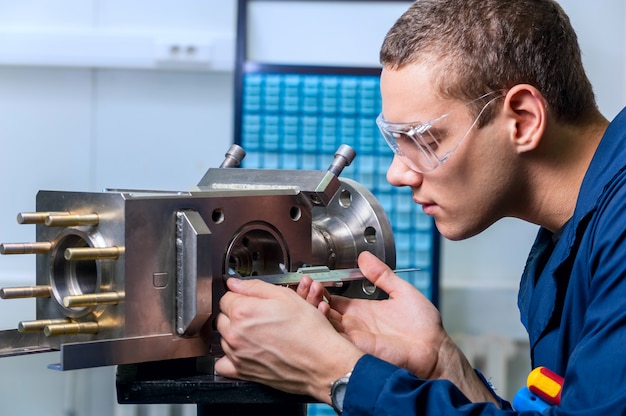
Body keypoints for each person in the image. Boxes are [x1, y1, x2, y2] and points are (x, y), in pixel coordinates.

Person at [215, 0, 626, 413]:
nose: (398, 173)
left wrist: (337, 374)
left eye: (423, 140)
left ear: (522, 119)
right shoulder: (569, 241)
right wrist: (442, 362)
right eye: (395, 142)